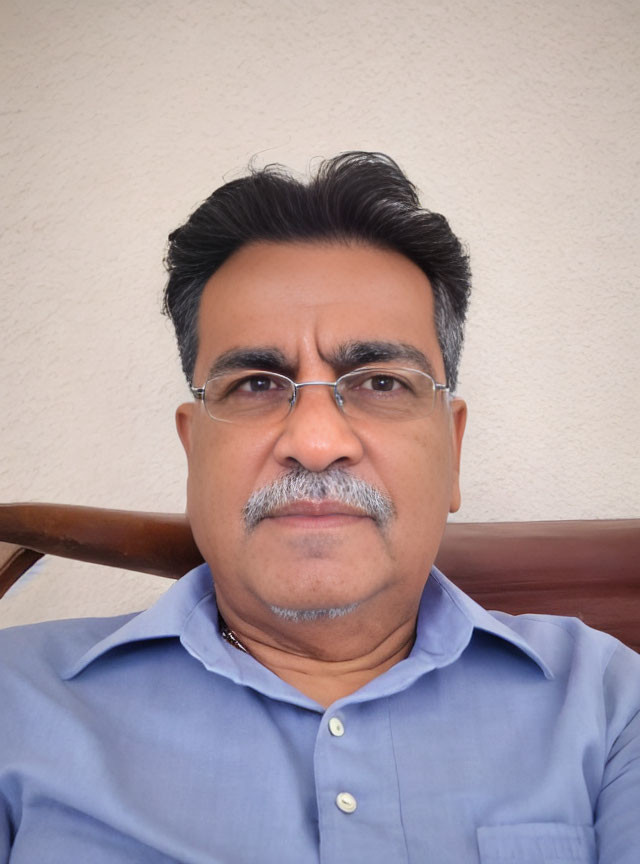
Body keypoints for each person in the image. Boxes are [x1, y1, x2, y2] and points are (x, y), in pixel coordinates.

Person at [1, 153, 638, 863]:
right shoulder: (12, 704)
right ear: (193, 451)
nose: (314, 441)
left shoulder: (609, 703)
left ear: (452, 450)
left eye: (382, 384)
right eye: (254, 385)